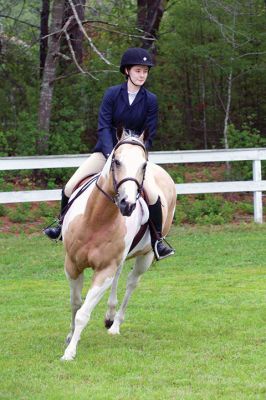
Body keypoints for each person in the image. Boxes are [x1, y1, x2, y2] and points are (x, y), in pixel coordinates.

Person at [44, 47, 174, 260]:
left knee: (153, 195)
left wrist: (139, 153)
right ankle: (60, 225)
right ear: (127, 71)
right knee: (70, 185)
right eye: (138, 70)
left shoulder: (151, 100)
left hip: (134, 158)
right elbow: (104, 126)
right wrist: (109, 152)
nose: (142, 75)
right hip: (106, 152)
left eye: (145, 71)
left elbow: (150, 132)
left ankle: (158, 240)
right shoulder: (112, 94)